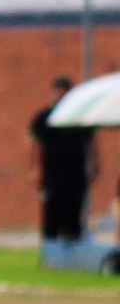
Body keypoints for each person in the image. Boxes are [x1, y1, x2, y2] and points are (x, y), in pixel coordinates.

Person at [28, 76, 98, 243]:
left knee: (73, 213)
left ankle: (73, 251)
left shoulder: (79, 117)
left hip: (75, 173)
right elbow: (35, 144)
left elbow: (91, 142)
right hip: (52, 174)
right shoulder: (45, 117)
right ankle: (51, 251)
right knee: (51, 213)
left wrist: (94, 164)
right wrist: (35, 168)